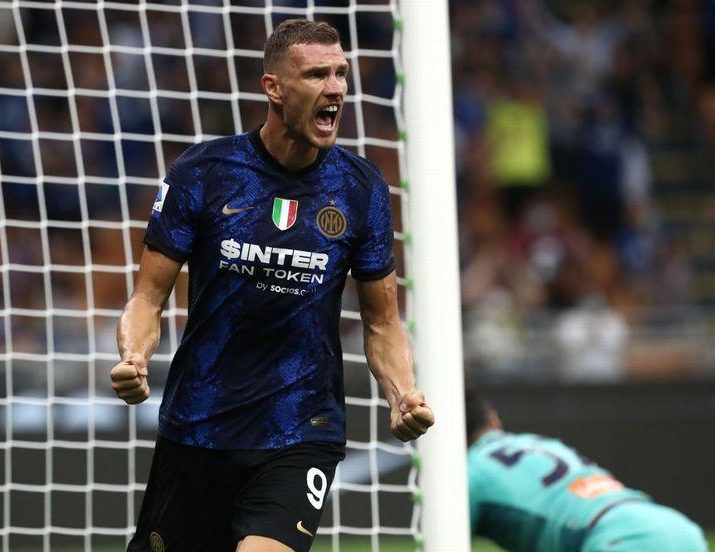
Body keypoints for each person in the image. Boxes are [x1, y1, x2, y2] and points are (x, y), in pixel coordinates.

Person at [110, 19, 434, 552]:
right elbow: (148, 297)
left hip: (301, 426)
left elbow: (382, 322)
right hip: (200, 423)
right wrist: (134, 357)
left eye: (341, 74)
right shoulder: (204, 173)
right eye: (316, 75)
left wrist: (401, 394)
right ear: (274, 88)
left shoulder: (360, 188)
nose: (335, 88)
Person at [465, 389, 707, 551]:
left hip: (617, 540)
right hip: (677, 528)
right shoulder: (537, 442)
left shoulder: (467, 471)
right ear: (494, 419)